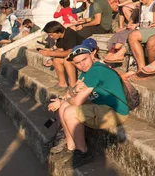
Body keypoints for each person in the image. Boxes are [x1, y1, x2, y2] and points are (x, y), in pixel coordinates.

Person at [47, 40, 129, 168]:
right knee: (64, 106)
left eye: (84, 59)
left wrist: (67, 99)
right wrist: (67, 97)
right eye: (77, 63)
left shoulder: (95, 71)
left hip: (115, 112)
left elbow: (77, 100)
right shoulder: (87, 72)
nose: (82, 65)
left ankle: (83, 152)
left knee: (70, 111)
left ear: (92, 55)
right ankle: (70, 147)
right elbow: (72, 91)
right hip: (101, 107)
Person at [103, 0, 155, 64]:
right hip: (140, 27)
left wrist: (136, 26)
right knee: (119, 32)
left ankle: (119, 54)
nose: (140, 0)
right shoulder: (142, 5)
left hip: (150, 30)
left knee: (127, 35)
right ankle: (111, 53)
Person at [39, 21, 84, 88]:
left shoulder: (70, 34)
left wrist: (51, 53)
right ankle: (62, 83)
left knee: (67, 60)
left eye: (51, 34)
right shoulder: (60, 37)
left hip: (83, 56)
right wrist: (50, 53)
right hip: (75, 56)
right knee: (56, 60)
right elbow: (60, 49)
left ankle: (73, 85)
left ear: (59, 32)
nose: (50, 37)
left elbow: (70, 52)